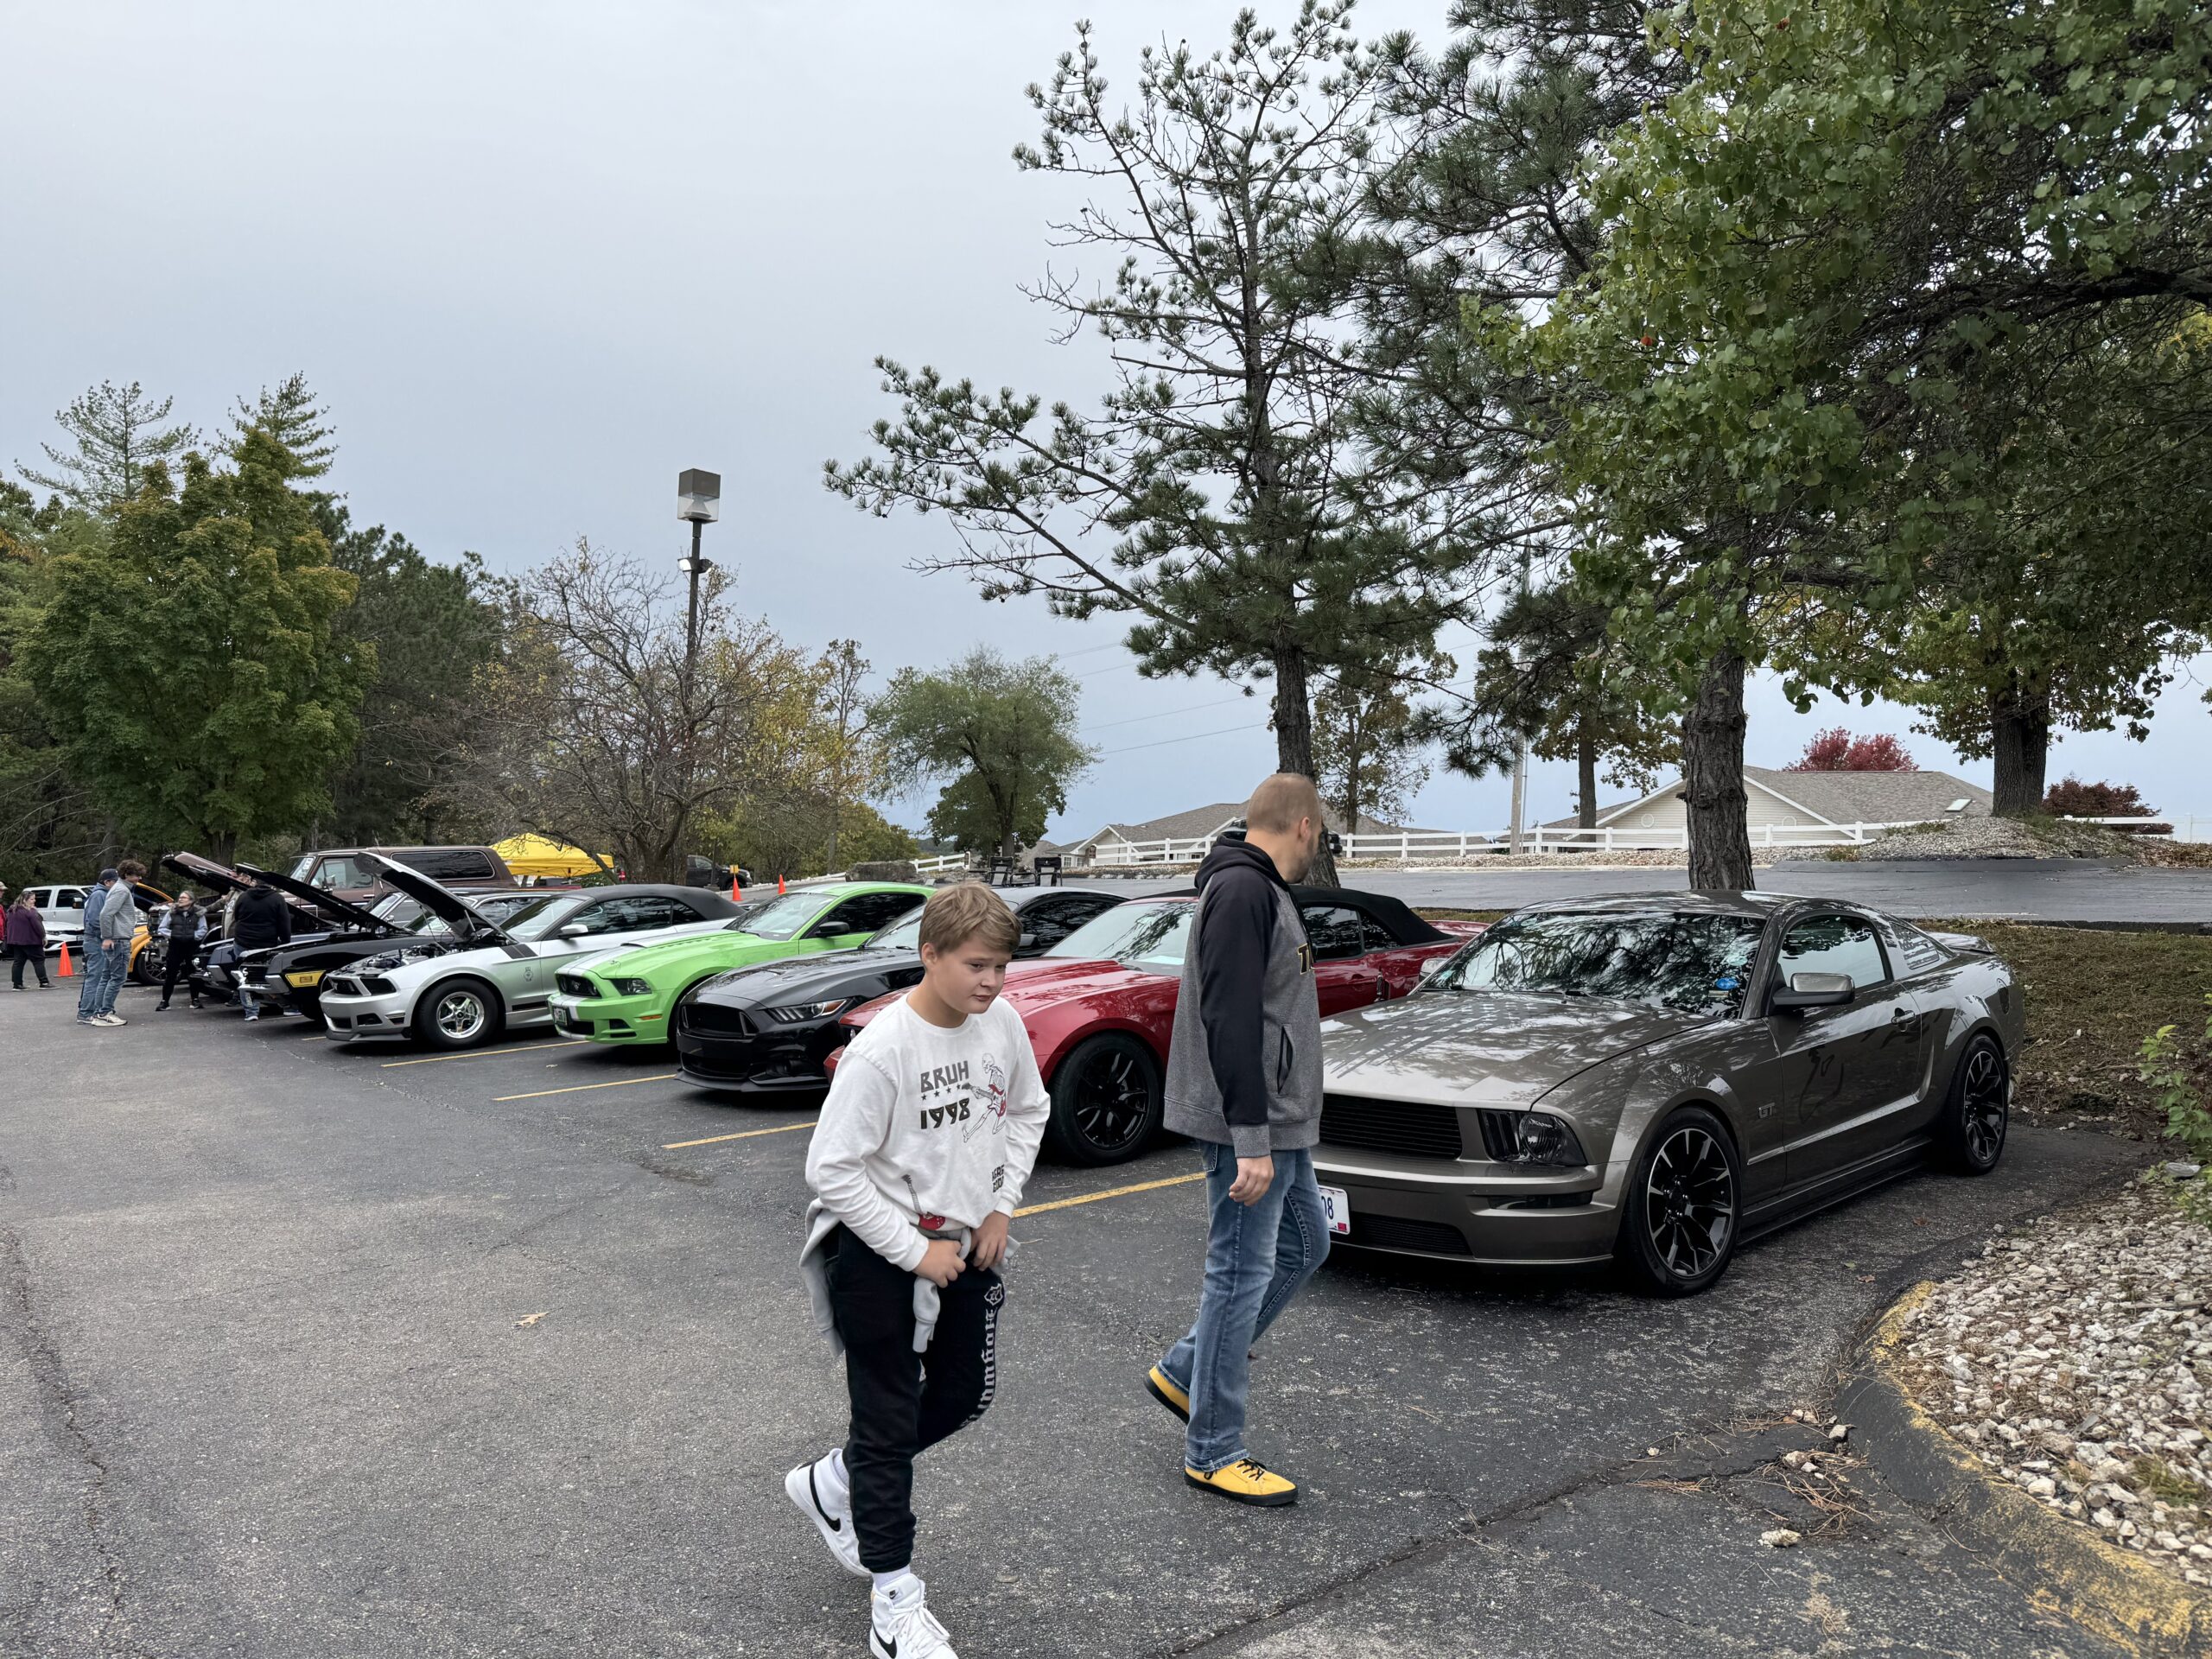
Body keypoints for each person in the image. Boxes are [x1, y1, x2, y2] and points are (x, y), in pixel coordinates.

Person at [789, 881, 1049, 1659]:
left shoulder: (1000, 1022)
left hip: (966, 1242)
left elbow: (1028, 1110)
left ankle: (836, 1480)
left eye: (1001, 966)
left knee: (965, 1394)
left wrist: (1001, 1206)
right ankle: (894, 1603)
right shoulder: (884, 1050)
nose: (991, 982)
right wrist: (912, 1251)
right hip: (879, 1256)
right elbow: (831, 1171)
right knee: (887, 1418)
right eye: (976, 965)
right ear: (929, 955)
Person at [1146, 772, 1331, 1508]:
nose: (1319, 844)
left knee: (1305, 1244)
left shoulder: (1257, 888)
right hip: (1250, 1126)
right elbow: (1228, 1016)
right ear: (1304, 825)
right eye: (1321, 832)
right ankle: (1214, 1449)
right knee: (1238, 1274)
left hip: (1277, 1122)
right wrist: (1250, 1137)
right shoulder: (1243, 890)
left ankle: (1186, 1371)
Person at [86, 860, 145, 1027]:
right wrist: (107, 937)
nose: (139, 878)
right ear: (127, 875)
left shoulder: (119, 888)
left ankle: (99, 1012)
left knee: (106, 977)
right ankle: (105, 1013)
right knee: (118, 978)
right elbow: (105, 914)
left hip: (116, 940)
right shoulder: (121, 890)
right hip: (119, 940)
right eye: (136, 875)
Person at [228, 875, 294, 1020]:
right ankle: (287, 1006)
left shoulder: (244, 896)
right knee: (271, 975)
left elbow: (237, 916)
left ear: (255, 883)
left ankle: (251, 1012)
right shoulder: (277, 898)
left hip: (243, 940)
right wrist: (285, 942)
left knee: (244, 976)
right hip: (266, 942)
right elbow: (284, 922)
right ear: (271, 884)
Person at [74, 868, 118, 1027]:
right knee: (95, 977)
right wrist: (108, 935)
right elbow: (95, 920)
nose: (117, 885)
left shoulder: (101, 894)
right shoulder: (99, 895)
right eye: (115, 881)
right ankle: (86, 1013)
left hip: (96, 939)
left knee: (97, 976)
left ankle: (90, 1009)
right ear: (107, 882)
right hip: (96, 940)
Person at [156, 890, 207, 1010]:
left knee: (193, 973)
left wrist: (192, 936)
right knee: (171, 974)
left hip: (192, 946)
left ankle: (195, 1000)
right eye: (180, 897)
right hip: (175, 946)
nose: (180, 899)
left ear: (191, 900)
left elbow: (203, 929)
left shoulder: (198, 913)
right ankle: (165, 1002)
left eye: (184, 897)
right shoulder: (172, 912)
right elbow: (162, 928)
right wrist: (174, 935)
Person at [5, 893, 48, 989]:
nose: (34, 901)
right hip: (30, 940)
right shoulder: (30, 912)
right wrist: (43, 937)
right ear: (25, 900)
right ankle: (44, 982)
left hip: (15, 941)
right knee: (38, 960)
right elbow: (38, 926)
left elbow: (7, 924)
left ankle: (17, 984)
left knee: (18, 962)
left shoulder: (12, 911)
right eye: (32, 899)